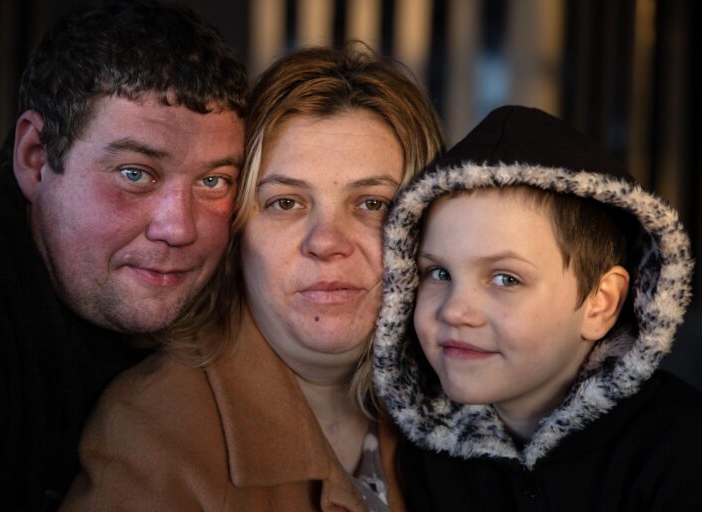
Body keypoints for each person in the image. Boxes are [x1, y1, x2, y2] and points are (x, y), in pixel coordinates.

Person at [59, 44, 443, 511]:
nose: (327, 242)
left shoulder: (463, 397)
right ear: (236, 228)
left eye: (372, 204)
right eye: (285, 203)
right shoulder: (154, 433)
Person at [0, 1, 247, 509]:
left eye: (214, 181)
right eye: (134, 173)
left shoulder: (242, 298)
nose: (179, 229)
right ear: (36, 158)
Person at [373, 105, 702, 511]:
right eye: (438, 273)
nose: (455, 311)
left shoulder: (679, 451)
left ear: (601, 303)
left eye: (506, 279)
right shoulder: (423, 462)